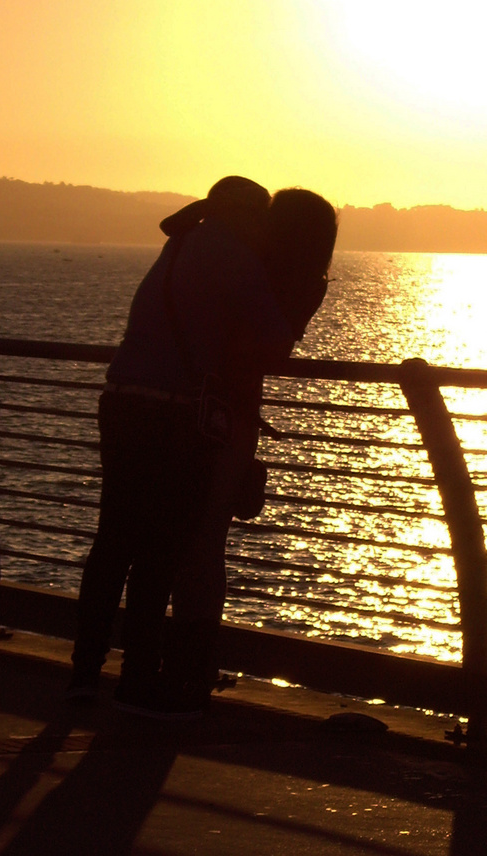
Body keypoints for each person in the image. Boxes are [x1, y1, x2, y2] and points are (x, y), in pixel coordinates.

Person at [68, 177, 336, 718]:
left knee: (113, 540)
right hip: (176, 409)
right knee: (161, 550)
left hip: (120, 397)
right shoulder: (240, 259)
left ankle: (82, 671)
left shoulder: (180, 243)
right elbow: (273, 341)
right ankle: (140, 678)